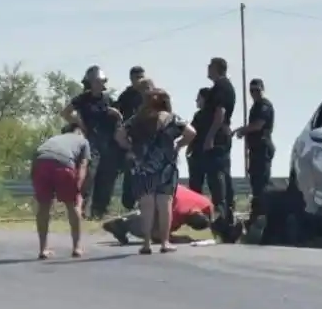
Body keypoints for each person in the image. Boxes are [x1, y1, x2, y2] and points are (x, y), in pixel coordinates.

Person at [114, 88, 196, 254]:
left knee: (146, 205)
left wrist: (131, 147)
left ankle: (146, 244)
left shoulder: (137, 119)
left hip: (143, 167)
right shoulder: (172, 118)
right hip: (166, 166)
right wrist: (178, 144)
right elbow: (191, 132)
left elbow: (119, 135)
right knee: (164, 204)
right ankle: (165, 242)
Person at [61, 66, 120, 220]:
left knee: (106, 176)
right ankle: (80, 208)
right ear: (89, 82)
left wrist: (117, 114)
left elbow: (120, 120)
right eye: (95, 81)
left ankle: (99, 211)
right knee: (88, 174)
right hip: (90, 140)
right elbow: (65, 112)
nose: (98, 84)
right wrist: (79, 123)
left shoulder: (109, 99)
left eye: (101, 81)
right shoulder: (82, 99)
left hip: (107, 141)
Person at [31, 123, 91, 259]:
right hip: (63, 163)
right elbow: (83, 165)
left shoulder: (54, 139)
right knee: (72, 205)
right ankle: (76, 248)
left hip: (41, 161)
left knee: (44, 206)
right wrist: (78, 186)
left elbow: (36, 159)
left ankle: (43, 249)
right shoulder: (83, 140)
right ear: (79, 131)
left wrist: (34, 181)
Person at [102, 184, 212, 245]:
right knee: (150, 228)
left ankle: (125, 220)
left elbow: (215, 214)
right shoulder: (178, 213)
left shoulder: (205, 203)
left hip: (163, 186)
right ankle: (123, 225)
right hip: (155, 197)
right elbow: (157, 236)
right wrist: (180, 239)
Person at [202, 57, 237, 240]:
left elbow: (220, 113)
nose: (207, 69)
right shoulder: (220, 87)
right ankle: (226, 215)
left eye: (210, 66)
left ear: (217, 68)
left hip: (219, 137)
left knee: (218, 176)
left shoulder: (222, 88)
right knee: (220, 174)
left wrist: (210, 137)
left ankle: (224, 216)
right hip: (221, 135)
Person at [233, 78, 275, 223]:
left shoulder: (264, 106)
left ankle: (263, 215)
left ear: (262, 89)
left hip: (262, 148)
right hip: (256, 149)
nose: (254, 93)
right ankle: (258, 214)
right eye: (251, 91)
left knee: (261, 183)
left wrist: (242, 130)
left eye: (257, 90)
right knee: (256, 182)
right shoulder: (256, 106)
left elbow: (258, 125)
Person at [113, 66, 147, 211]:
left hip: (148, 141)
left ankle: (145, 206)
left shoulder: (151, 95)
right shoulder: (126, 96)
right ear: (132, 79)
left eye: (142, 77)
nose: (140, 81)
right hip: (130, 138)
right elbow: (117, 113)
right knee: (130, 172)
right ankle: (129, 205)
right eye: (137, 78)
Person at [187, 87, 213, 195]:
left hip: (199, 152)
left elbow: (192, 132)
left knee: (196, 183)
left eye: (199, 98)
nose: (197, 101)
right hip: (204, 152)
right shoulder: (207, 115)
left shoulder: (201, 115)